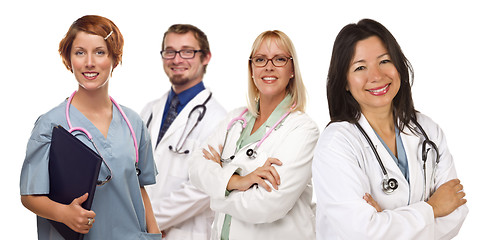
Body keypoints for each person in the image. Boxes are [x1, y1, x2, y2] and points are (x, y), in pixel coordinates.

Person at [312, 18, 468, 239]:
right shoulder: (336, 143)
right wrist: (432, 208)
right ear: (345, 82)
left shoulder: (427, 130)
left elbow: (456, 211)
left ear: (399, 65)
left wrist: (386, 220)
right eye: (360, 67)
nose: (376, 76)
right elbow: (360, 232)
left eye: (384, 61)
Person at [19, 15, 161, 239]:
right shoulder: (51, 125)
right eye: (80, 52)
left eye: (100, 52)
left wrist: (155, 234)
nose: (89, 62)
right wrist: (64, 213)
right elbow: (29, 195)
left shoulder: (133, 123)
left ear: (115, 58)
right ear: (69, 59)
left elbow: (139, 188)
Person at [189, 30, 319, 240]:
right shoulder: (235, 120)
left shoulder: (303, 130)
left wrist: (217, 190)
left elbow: (268, 205)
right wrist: (238, 182)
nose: (269, 66)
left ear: (292, 69)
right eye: (260, 59)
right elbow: (195, 167)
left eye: (279, 59)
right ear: (251, 69)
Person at [140, 24, 226, 239]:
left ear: (205, 57)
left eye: (187, 51)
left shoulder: (219, 119)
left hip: (186, 233)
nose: (177, 59)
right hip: (141, 229)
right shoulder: (150, 111)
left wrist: (150, 221)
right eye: (170, 51)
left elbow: (204, 186)